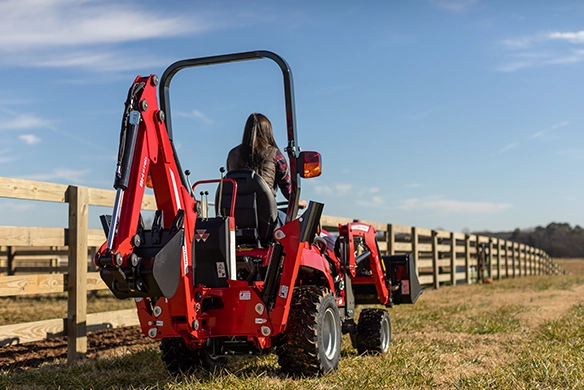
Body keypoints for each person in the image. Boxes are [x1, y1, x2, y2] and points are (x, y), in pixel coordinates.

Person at [226, 113, 307, 225]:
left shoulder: (232, 154)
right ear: (268, 131)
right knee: (296, 225)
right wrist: (297, 201)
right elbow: (287, 188)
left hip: (235, 217)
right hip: (265, 219)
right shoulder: (274, 153)